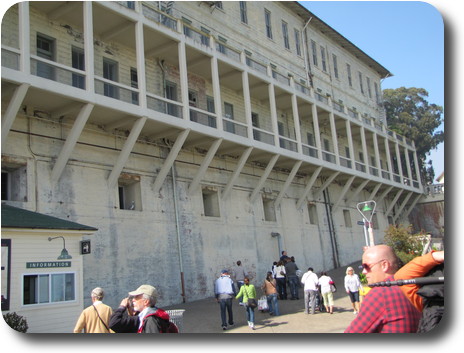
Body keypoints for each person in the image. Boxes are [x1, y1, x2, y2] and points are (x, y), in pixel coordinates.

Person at [345, 245, 421, 333]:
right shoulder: (411, 286)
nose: (364, 272)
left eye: (366, 266)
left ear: (384, 265)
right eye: (362, 267)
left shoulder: (381, 294)